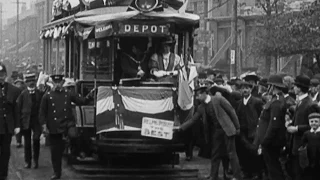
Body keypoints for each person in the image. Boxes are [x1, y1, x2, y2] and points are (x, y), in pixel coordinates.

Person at [174, 86, 242, 180]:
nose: (197, 98)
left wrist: (237, 127)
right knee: (215, 155)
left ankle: (237, 176)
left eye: (198, 95)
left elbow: (231, 111)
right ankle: (213, 176)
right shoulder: (201, 107)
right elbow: (193, 120)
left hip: (227, 129)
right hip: (216, 132)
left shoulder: (218, 99)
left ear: (204, 93)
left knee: (231, 154)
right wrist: (180, 128)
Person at [39, 74, 94, 180]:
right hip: (54, 126)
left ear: (62, 83)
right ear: (52, 83)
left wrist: (89, 96)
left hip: (68, 123)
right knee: (55, 152)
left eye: (59, 82)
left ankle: (77, 152)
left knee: (74, 135)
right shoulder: (47, 96)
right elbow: (42, 112)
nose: (58, 85)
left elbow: (81, 101)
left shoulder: (68, 94)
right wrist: (44, 126)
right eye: (55, 83)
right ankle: (57, 172)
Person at [254, 74, 287, 180]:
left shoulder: (277, 102)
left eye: (269, 85)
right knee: (271, 169)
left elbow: (274, 125)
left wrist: (265, 141)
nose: (267, 88)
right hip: (269, 141)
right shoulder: (274, 100)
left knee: (274, 170)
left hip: (271, 142)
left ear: (272, 86)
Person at [287, 75, 313, 180]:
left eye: (295, 86)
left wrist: (297, 128)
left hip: (304, 146)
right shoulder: (301, 102)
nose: (293, 88)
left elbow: (313, 126)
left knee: (301, 174)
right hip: (296, 144)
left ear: (300, 88)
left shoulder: (309, 104)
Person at [236, 81, 264, 179]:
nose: (245, 90)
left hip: (253, 132)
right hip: (242, 132)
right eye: (243, 88)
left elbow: (262, 117)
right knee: (244, 153)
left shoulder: (257, 102)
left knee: (254, 152)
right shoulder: (239, 103)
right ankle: (246, 172)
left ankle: (256, 173)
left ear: (251, 89)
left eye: (247, 88)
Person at [17, 73, 44, 169]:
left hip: (36, 121)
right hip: (26, 121)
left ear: (35, 81)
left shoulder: (40, 94)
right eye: (29, 81)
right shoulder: (23, 94)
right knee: (27, 143)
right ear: (26, 82)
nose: (31, 83)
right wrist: (19, 124)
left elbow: (43, 107)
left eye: (33, 81)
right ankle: (27, 161)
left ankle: (35, 161)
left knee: (36, 140)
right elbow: (18, 109)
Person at [0, 63, 21, 180]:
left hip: (7, 127)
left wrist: (17, 125)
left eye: (2, 74)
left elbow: (15, 110)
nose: (0, 77)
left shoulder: (13, 90)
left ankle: (3, 175)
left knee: (5, 152)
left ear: (6, 75)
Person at [300, 112, 320, 180]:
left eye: (316, 121)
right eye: (311, 121)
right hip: (309, 156)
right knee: (310, 173)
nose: (313, 123)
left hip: (319, 156)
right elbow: (303, 143)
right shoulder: (307, 133)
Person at [13, 78, 26, 148]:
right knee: (18, 126)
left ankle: (22, 141)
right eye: (17, 84)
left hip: (23, 112)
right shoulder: (13, 92)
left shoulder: (25, 92)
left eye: (20, 84)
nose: (18, 85)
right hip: (16, 112)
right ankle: (18, 141)